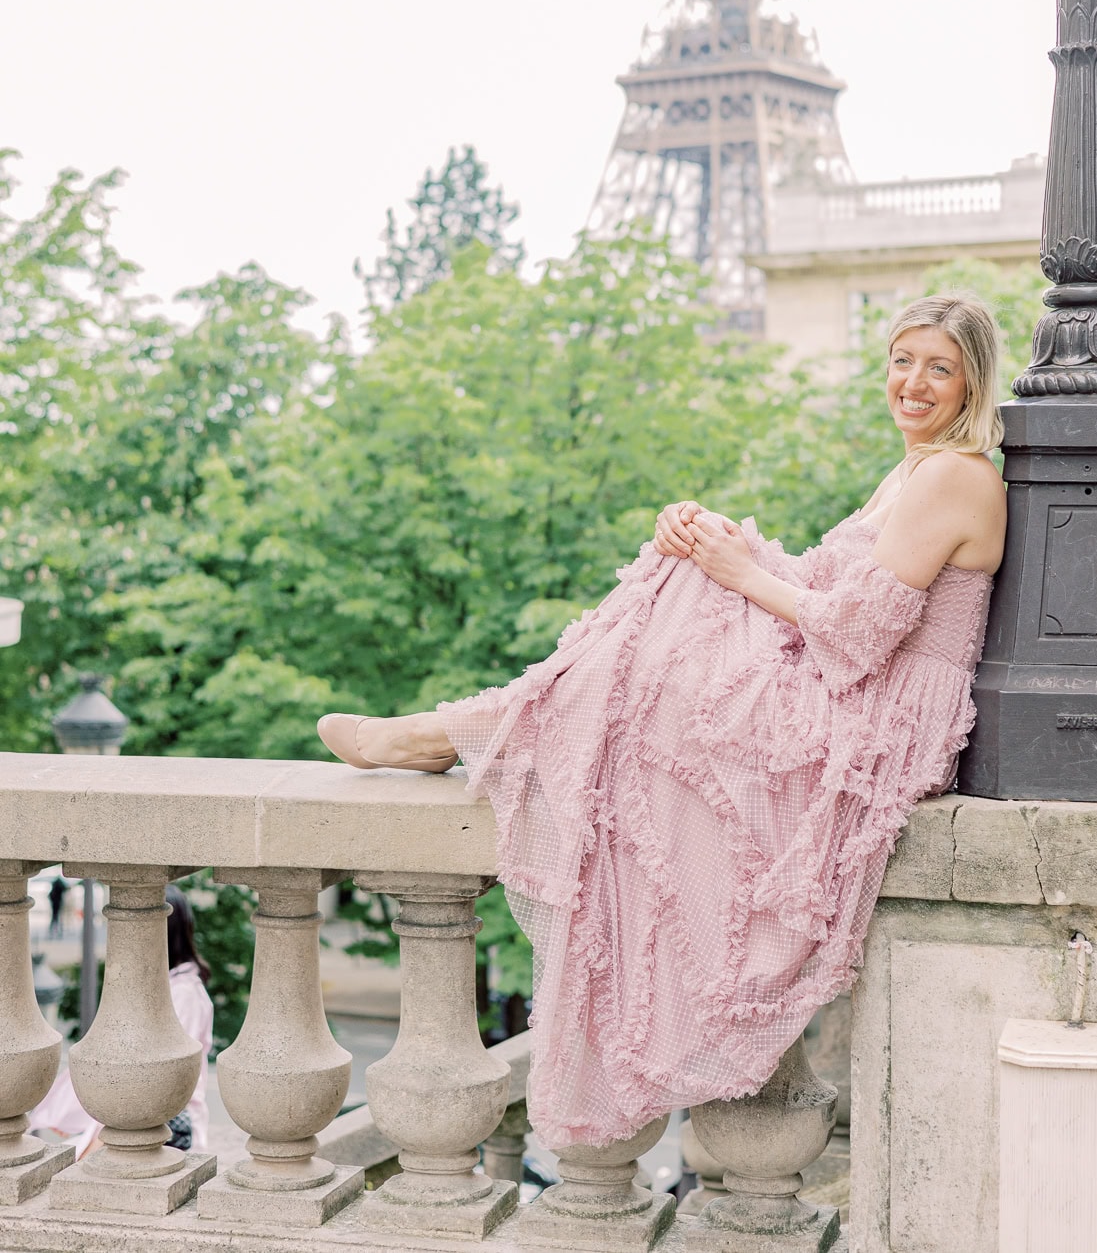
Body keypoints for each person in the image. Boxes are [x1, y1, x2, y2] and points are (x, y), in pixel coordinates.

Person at [318, 293, 1007, 1149]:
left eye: (938, 367)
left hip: (870, 719)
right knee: (675, 579)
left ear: (972, 379)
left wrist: (731, 566)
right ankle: (459, 728)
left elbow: (862, 636)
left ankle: (438, 734)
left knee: (659, 646)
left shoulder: (956, 474)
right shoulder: (915, 467)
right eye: (903, 359)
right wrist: (712, 537)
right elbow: (831, 589)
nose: (913, 382)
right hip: (849, 685)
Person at [29, 884, 214, 1157]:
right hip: (139, 1108)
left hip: (166, 1119)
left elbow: (165, 1072)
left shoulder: (184, 993)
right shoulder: (164, 987)